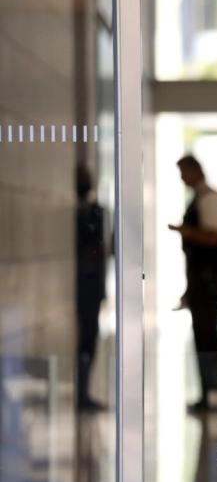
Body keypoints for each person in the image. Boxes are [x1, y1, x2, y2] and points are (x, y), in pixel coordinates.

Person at [168, 155, 217, 411]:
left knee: (206, 335)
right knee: (201, 335)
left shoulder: (211, 199)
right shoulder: (201, 198)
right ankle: (208, 390)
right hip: (200, 280)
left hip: (209, 280)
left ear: (194, 171)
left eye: (183, 173)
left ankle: (213, 390)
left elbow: (212, 237)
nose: (182, 179)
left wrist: (185, 231)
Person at [75, 164, 108, 412]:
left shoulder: (96, 213)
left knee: (89, 339)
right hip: (83, 288)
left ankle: (84, 393)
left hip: (91, 288)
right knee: (86, 339)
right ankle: (82, 394)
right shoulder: (81, 215)